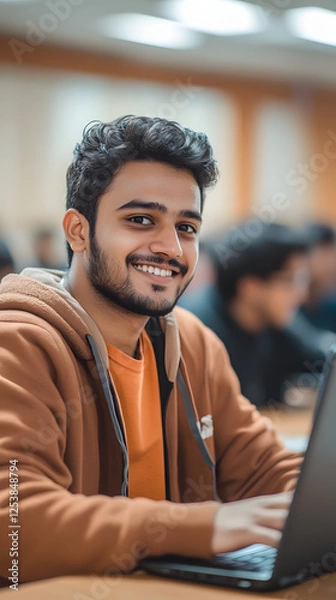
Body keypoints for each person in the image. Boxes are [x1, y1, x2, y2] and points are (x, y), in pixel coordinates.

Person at [0, 116, 301, 586]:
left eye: (187, 226)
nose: (170, 247)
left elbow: (264, 467)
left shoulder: (193, 344)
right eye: (141, 220)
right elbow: (12, 525)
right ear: (78, 231)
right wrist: (205, 526)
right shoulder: (17, 344)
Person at [181, 221, 325, 407]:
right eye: (291, 280)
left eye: (302, 279)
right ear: (250, 286)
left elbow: (320, 357)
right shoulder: (198, 331)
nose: (301, 293)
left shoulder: (273, 321)